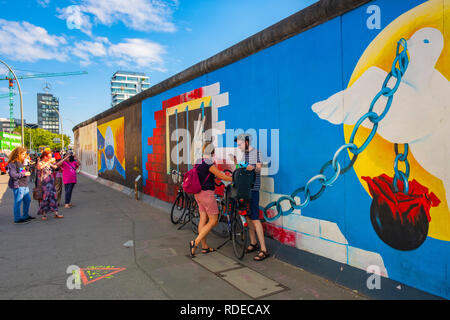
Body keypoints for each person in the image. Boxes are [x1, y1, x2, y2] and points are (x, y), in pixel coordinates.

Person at [189, 142, 233, 257]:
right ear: (213, 152)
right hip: (206, 195)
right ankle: (196, 242)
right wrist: (233, 179)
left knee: (203, 219)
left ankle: (204, 247)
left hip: (198, 194)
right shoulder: (209, 163)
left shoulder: (198, 161)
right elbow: (221, 176)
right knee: (213, 220)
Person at [231, 134, 269, 261]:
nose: (239, 146)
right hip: (244, 190)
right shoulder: (244, 155)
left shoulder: (257, 153)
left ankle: (264, 249)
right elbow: (240, 170)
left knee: (255, 218)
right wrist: (236, 163)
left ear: (247, 142)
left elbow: (258, 170)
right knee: (247, 216)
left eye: (240, 144)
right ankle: (253, 243)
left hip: (253, 189)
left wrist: (253, 168)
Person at [6, 147, 34, 224]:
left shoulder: (20, 162)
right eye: (23, 154)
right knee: (18, 202)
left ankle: (25, 215)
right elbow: (13, 175)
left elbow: (22, 171)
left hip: (24, 184)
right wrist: (24, 173)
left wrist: (27, 170)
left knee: (27, 200)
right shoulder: (12, 163)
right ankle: (17, 218)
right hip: (18, 185)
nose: (24, 156)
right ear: (18, 154)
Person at [36, 150, 63, 220]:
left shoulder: (48, 163)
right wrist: (49, 161)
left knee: (53, 197)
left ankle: (56, 213)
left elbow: (56, 166)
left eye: (51, 157)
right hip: (44, 184)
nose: (50, 158)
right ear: (45, 156)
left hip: (51, 182)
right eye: (49, 157)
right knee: (44, 198)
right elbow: (40, 168)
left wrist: (64, 159)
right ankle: (44, 214)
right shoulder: (40, 162)